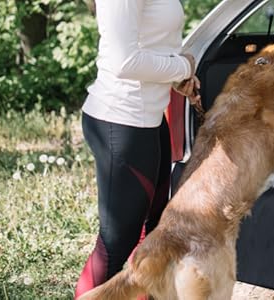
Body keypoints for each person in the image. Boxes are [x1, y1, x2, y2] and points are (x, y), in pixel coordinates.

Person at [74, 0, 200, 298]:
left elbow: (152, 44)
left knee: (153, 230)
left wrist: (176, 76)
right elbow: (124, 61)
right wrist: (184, 66)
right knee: (117, 243)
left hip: (150, 118)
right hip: (121, 120)